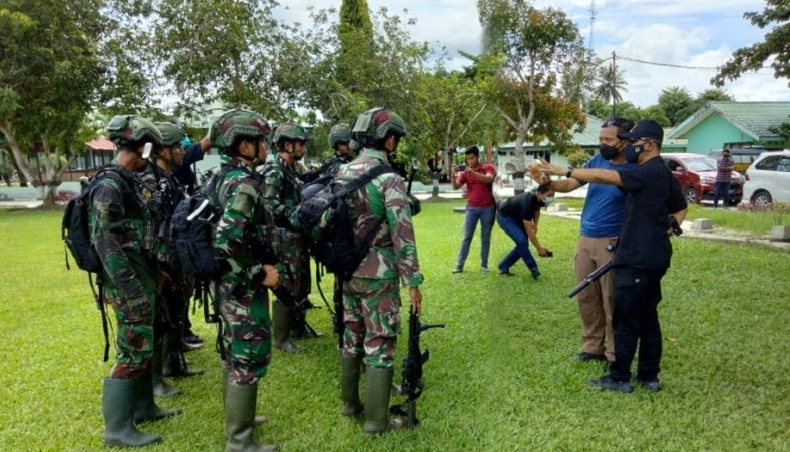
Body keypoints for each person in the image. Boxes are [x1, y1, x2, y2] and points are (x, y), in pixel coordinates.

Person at [537, 119, 688, 393]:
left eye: (612, 140)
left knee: (622, 311)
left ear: (646, 144)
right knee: (633, 313)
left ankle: (619, 371)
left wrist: (568, 168)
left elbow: (609, 177)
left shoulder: (644, 171)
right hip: (632, 249)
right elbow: (579, 182)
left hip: (629, 251)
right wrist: (552, 180)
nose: (605, 144)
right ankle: (643, 373)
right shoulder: (650, 171)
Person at [94, 115, 181, 448]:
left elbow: (135, 236)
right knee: (131, 350)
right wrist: (130, 288)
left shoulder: (127, 180)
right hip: (127, 284)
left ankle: (145, 406)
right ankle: (116, 428)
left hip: (143, 277)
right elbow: (105, 242)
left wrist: (154, 270)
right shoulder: (110, 184)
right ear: (143, 146)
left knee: (145, 342)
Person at [335, 108, 424, 434]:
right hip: (379, 275)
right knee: (380, 341)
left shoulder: (343, 172)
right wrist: (412, 281)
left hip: (347, 272)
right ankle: (376, 422)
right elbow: (403, 234)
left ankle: (350, 404)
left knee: (352, 335)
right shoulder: (389, 179)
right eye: (395, 137)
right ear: (388, 138)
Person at [529, 117, 636, 364]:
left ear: (625, 141)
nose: (602, 144)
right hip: (586, 236)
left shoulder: (632, 166)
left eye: (608, 139)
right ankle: (592, 347)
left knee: (612, 299)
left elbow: (604, 178)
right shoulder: (597, 160)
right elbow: (568, 184)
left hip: (613, 239)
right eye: (600, 139)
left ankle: (615, 353)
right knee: (587, 295)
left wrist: (561, 170)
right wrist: (547, 182)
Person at [211, 108, 281, 451]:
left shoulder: (222, 176)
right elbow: (227, 238)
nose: (264, 145)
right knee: (249, 354)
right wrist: (259, 274)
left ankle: (241, 421)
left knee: (233, 351)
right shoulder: (245, 182)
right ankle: (239, 442)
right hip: (242, 283)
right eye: (259, 140)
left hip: (226, 281)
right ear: (244, 146)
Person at [139, 121, 204, 397]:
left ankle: (174, 363)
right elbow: (148, 227)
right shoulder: (149, 181)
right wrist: (157, 267)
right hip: (160, 261)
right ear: (161, 150)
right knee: (160, 320)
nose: (181, 151)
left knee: (176, 314)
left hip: (176, 257)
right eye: (176, 146)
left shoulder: (171, 178)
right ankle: (156, 380)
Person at [262, 123, 314, 352]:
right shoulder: (275, 171)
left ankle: (297, 327)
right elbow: (269, 204)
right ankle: (281, 339)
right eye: (300, 143)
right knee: (287, 284)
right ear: (287, 145)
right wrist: (294, 215)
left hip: (297, 234)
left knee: (301, 281)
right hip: (284, 236)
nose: (303, 147)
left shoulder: (292, 169)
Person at [451, 145, 497, 273]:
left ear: (477, 157)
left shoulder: (488, 168)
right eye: (468, 159)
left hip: (488, 207)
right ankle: (459, 266)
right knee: (467, 237)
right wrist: (453, 175)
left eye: (472, 158)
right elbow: (456, 187)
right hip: (471, 208)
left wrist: (473, 172)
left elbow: (488, 179)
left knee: (485, 237)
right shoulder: (466, 172)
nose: (469, 161)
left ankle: (484, 265)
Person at [495, 185, 555, 279]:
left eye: (553, 195)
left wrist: (535, 225)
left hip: (516, 216)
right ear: (539, 193)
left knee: (522, 244)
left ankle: (503, 266)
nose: (551, 198)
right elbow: (528, 229)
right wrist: (539, 248)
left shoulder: (540, 199)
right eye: (549, 195)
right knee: (522, 241)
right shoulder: (528, 201)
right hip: (504, 215)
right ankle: (533, 269)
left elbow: (537, 210)